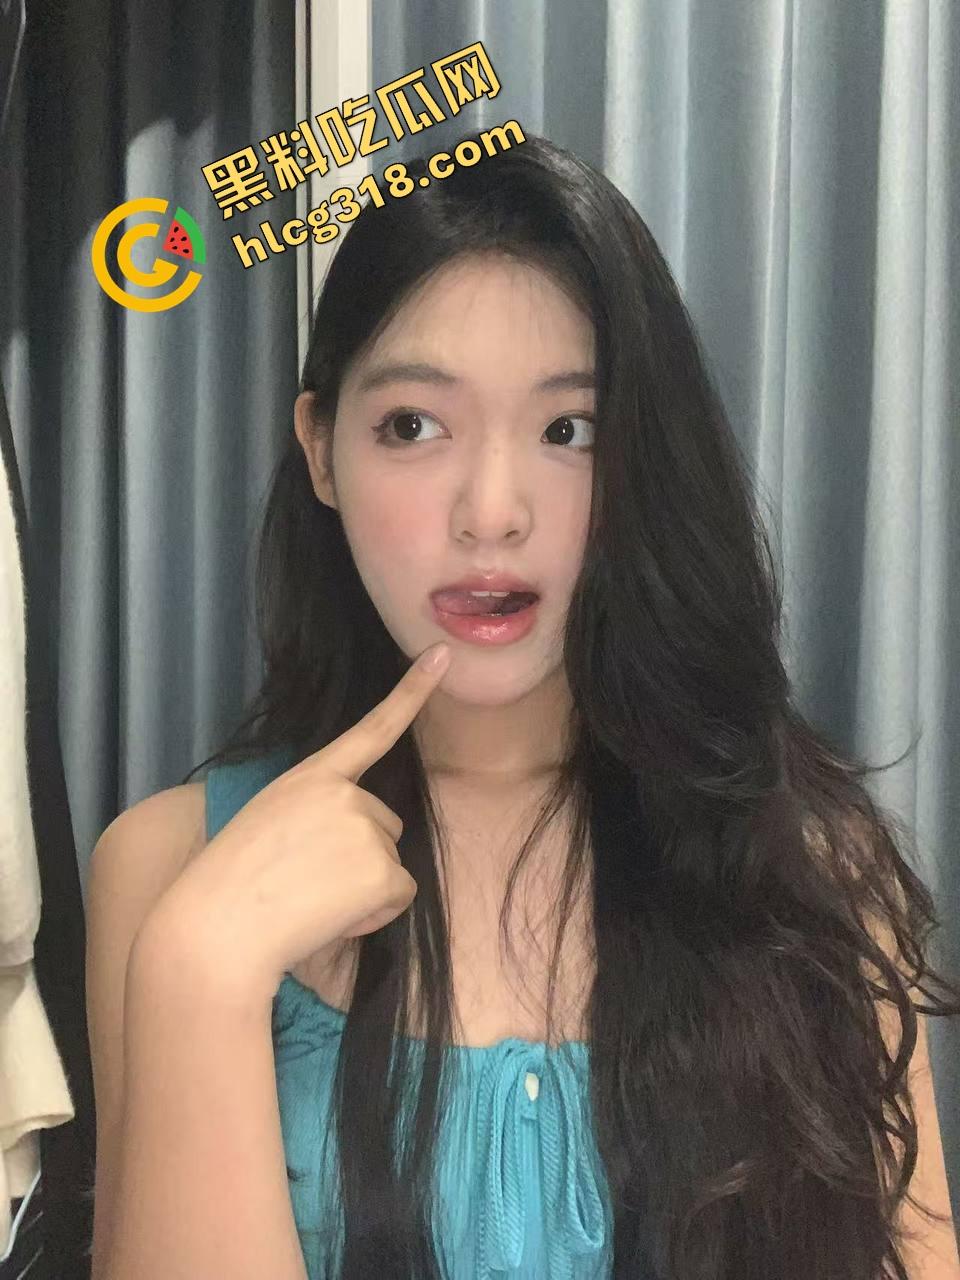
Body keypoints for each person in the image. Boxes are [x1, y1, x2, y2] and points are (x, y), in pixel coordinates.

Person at [84, 133, 960, 1280]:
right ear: (322, 450)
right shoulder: (166, 873)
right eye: (413, 424)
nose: (492, 511)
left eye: (568, 430)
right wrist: (204, 970)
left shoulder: (810, 866)